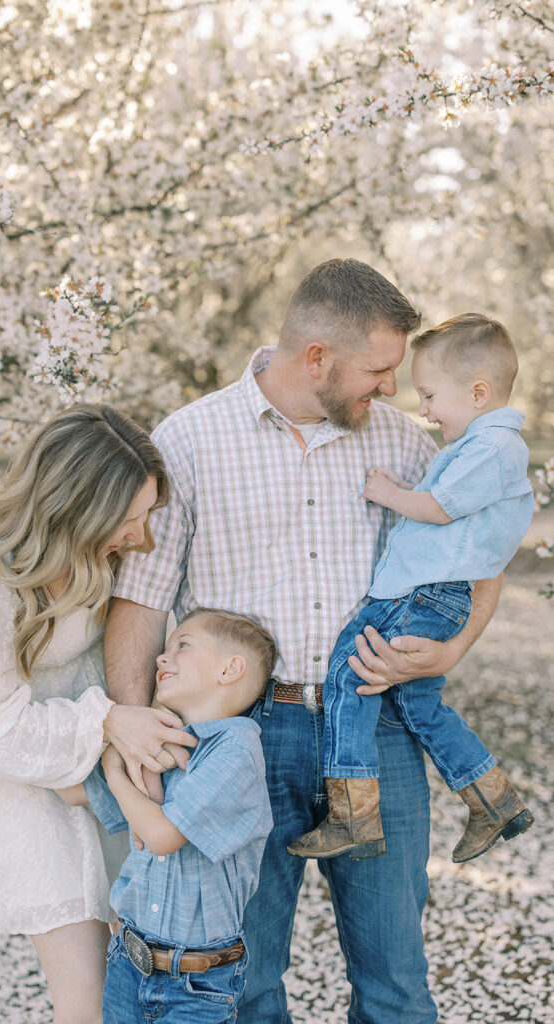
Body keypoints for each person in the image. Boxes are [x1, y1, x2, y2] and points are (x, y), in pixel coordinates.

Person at [103, 259, 504, 1024]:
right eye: (378, 369)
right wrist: (140, 728)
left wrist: (453, 649)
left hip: (379, 727)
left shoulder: (404, 445)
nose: (390, 388)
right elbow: (140, 600)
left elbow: (478, 552)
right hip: (238, 740)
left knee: (394, 980)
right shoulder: (189, 440)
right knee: (245, 978)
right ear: (316, 357)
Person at [0, 404, 197, 1024]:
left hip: (105, 781)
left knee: (139, 994)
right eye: (127, 520)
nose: (142, 538)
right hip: (25, 790)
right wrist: (106, 721)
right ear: (75, 507)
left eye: (145, 516)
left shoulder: (104, 555)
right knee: (88, 1004)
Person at [288, 313, 534, 865]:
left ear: (477, 391)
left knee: (348, 677)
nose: (422, 409)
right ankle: (492, 797)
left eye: (429, 395)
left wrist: (388, 493)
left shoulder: (492, 448)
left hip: (418, 593)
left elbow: (440, 509)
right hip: (434, 594)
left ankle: (354, 813)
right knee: (419, 702)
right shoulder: (485, 448)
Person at [58, 607, 276, 1024]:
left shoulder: (236, 750)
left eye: (183, 645)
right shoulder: (163, 739)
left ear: (230, 669)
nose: (162, 656)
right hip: (127, 960)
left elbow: (161, 836)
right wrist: (107, 743)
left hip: (195, 985)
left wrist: (112, 768)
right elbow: (71, 792)